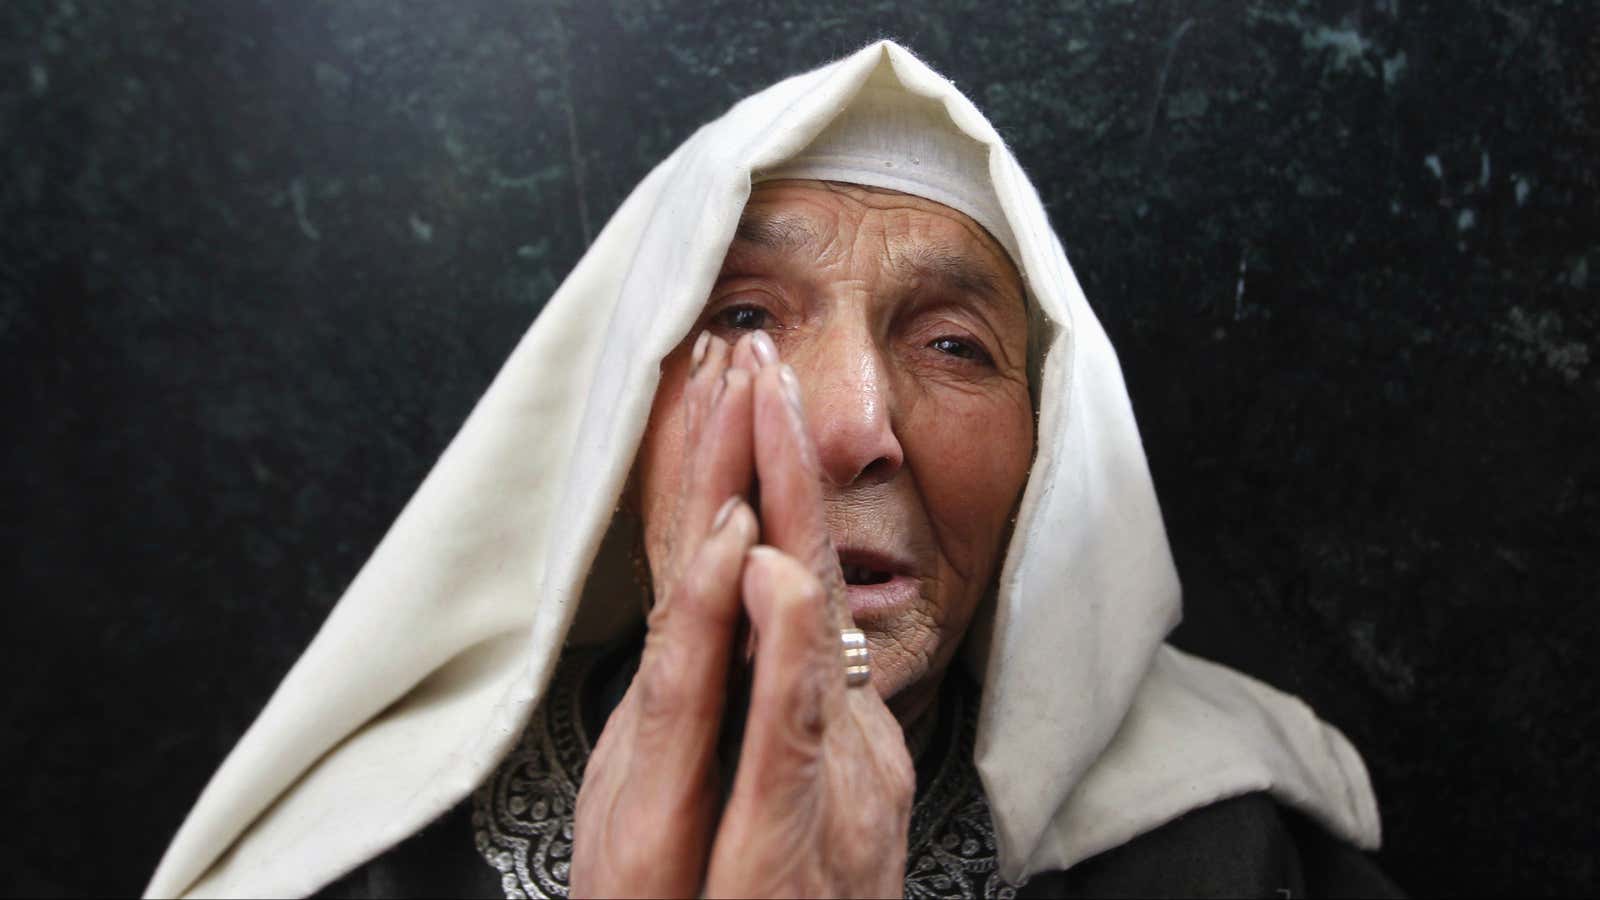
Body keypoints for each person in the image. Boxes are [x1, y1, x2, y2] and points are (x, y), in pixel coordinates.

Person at [145, 41, 1400, 898]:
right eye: (742, 318)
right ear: (616, 431)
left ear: (1046, 460)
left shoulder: (1222, 856)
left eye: (956, 346)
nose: (849, 422)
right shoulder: (376, 861)